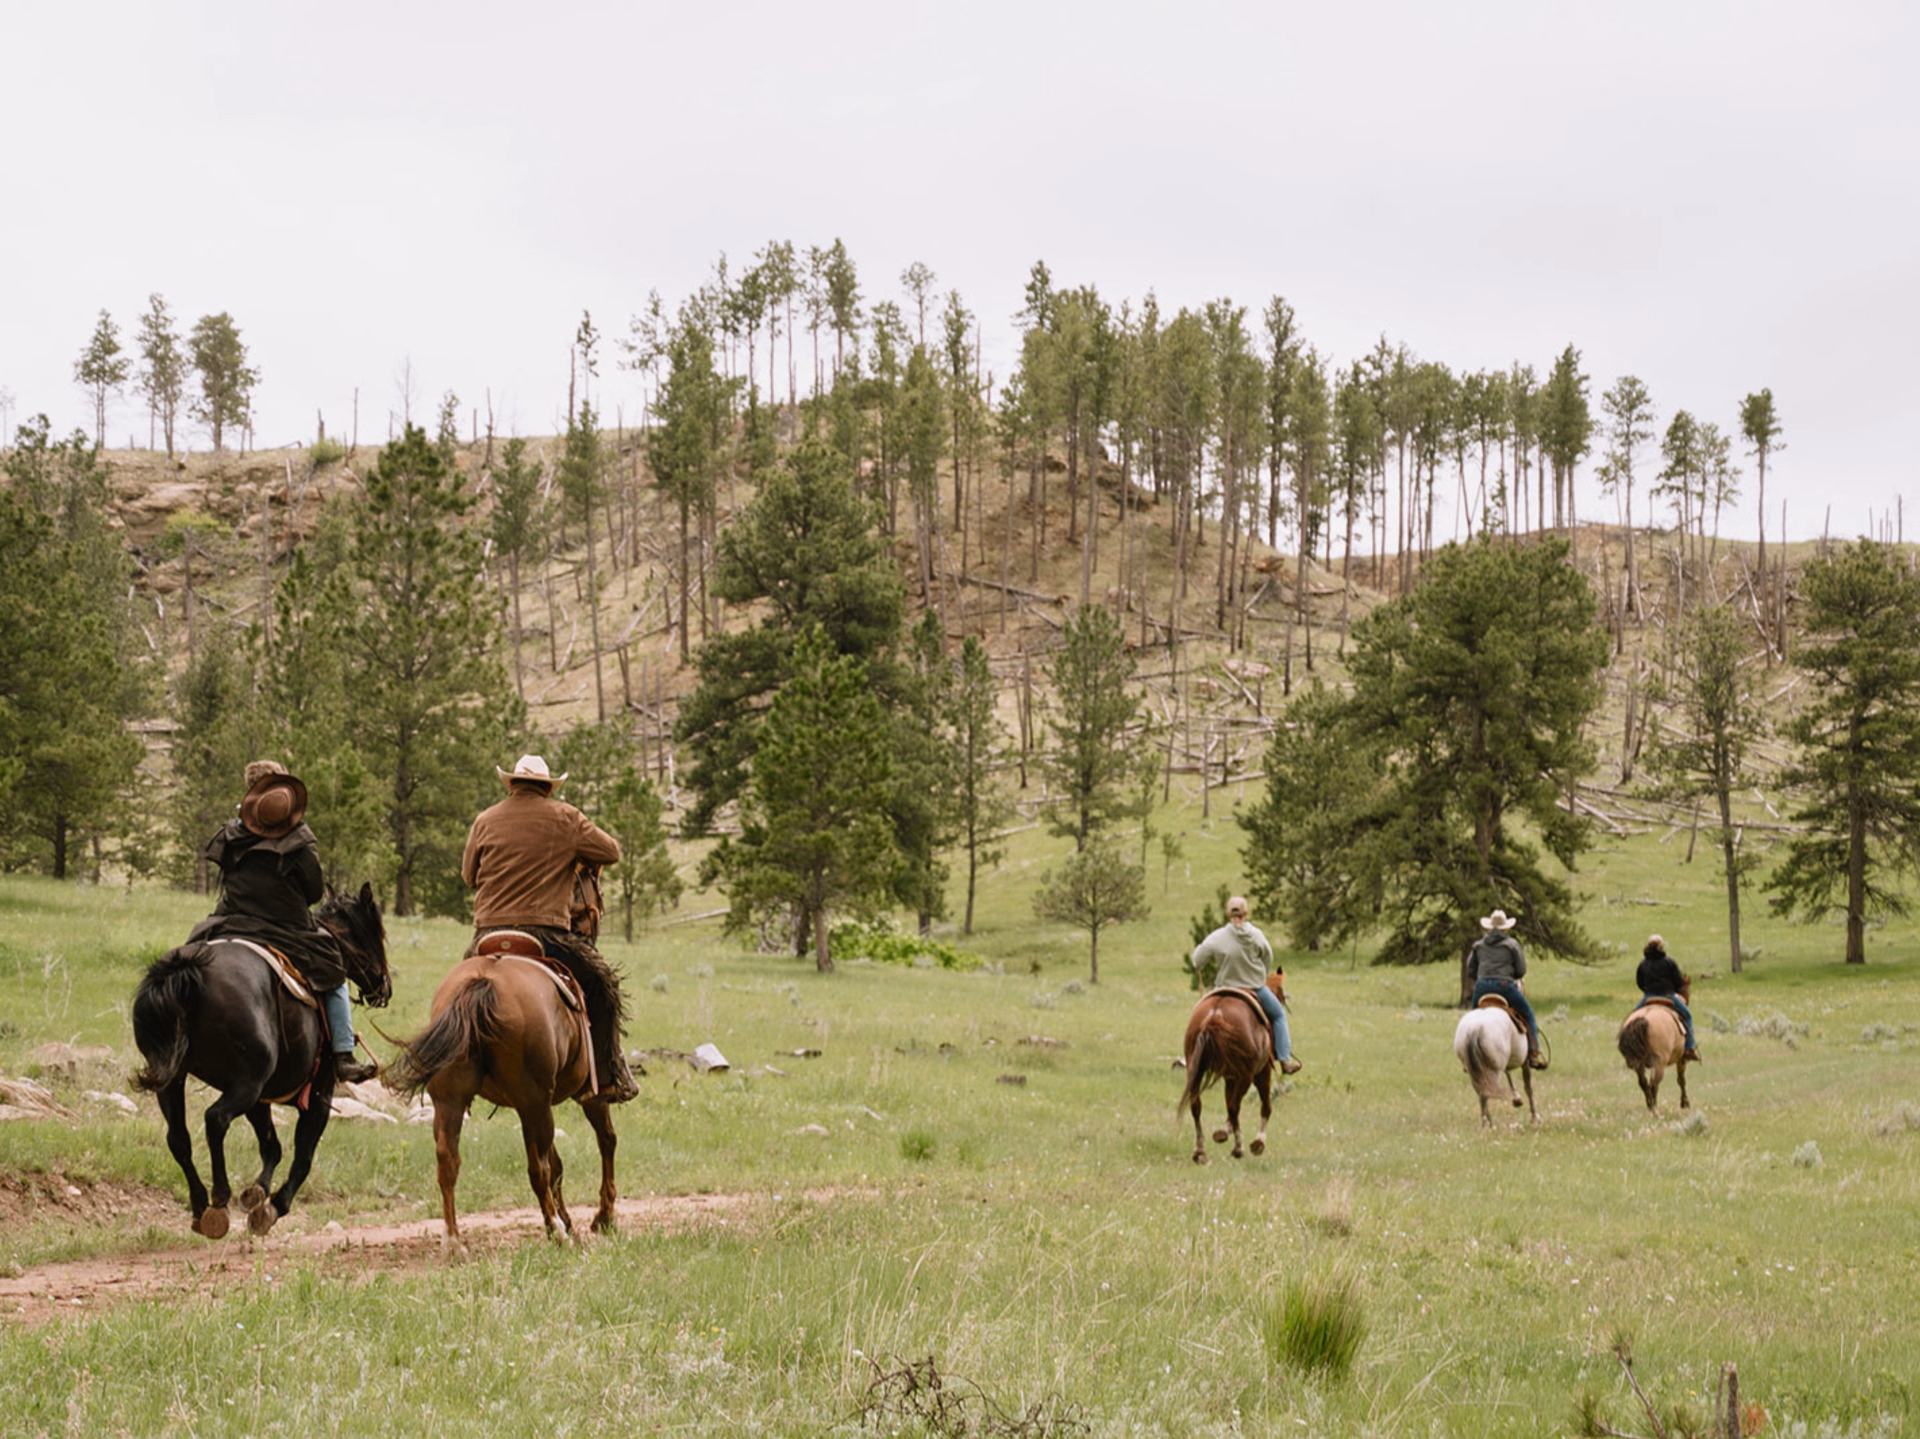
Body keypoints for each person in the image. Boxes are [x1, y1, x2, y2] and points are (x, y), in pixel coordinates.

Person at [190, 760, 379, 1083]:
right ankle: (344, 1054)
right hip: (286, 927)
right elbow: (313, 892)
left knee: (191, 955)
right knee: (333, 971)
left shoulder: (232, 832)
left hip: (232, 920)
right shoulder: (298, 840)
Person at [461, 753, 636, 1102]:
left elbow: (469, 877)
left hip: (486, 936)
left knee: (457, 996)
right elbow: (612, 852)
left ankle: (453, 1073)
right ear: (547, 787)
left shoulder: (484, 820)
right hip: (546, 934)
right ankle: (607, 1076)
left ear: (511, 784)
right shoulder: (566, 818)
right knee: (604, 984)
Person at [1191, 895, 1301, 1075]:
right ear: (1245, 913)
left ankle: (1192, 1057)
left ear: (1228, 914)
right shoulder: (1256, 935)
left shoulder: (1217, 936)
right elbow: (1268, 958)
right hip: (1255, 988)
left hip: (1224, 989)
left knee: (1198, 1015)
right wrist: (1260, 975)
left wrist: (1200, 960)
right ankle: (1285, 1060)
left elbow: (1197, 960)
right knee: (1279, 1015)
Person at [1467, 908, 1546, 1070]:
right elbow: (1521, 970)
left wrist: (1483, 977)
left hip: (1481, 986)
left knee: (1472, 1018)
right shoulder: (1512, 945)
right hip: (1504, 986)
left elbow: (1470, 969)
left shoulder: (1479, 945)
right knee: (1528, 1014)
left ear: (1489, 927)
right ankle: (1533, 1053)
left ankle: (1469, 1056)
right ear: (1505, 928)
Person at [1634, 934, 1701, 1062]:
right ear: (1661, 946)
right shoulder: (1669, 962)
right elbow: (1678, 981)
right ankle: (1689, 1048)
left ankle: (1631, 1049)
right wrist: (1673, 991)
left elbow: (1639, 982)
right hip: (1668, 995)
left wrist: (1648, 990)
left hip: (1649, 996)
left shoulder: (1643, 964)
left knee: (1632, 1019)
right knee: (1687, 1016)